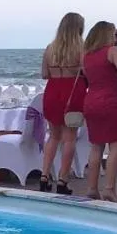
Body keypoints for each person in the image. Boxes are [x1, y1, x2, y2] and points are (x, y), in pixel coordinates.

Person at [81, 20, 117, 201]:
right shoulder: (112, 51)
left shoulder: (86, 55)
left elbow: (93, 76)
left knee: (96, 146)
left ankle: (91, 187)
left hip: (91, 101)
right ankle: (109, 189)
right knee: (115, 145)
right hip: (109, 102)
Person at [38, 12, 87, 194]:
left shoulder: (51, 48)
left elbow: (44, 74)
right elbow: (87, 72)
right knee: (70, 138)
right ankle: (62, 179)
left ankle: (44, 176)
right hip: (72, 93)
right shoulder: (82, 48)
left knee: (53, 135)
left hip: (53, 91)